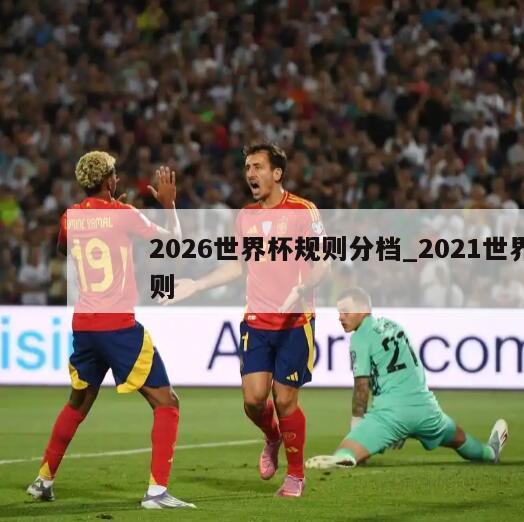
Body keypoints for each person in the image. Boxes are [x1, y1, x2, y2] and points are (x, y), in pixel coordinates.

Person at [26, 151, 194, 509]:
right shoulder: (124, 214)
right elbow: (175, 246)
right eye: (114, 175)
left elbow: (63, 248)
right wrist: (169, 206)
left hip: (85, 326)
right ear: (108, 181)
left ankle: (43, 480)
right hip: (117, 326)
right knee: (167, 403)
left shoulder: (71, 216)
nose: (117, 179)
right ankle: (157, 493)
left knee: (77, 404)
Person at [169, 142, 329, 497]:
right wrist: (197, 284)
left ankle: (296, 475)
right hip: (256, 321)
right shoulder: (245, 216)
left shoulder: (304, 211)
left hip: (294, 321)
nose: (250, 174)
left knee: (285, 400)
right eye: (247, 168)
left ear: (277, 173)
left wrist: (304, 287)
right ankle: (272, 436)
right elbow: (238, 266)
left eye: (258, 167)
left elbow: (323, 262)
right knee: (254, 401)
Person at [305, 287, 507, 469]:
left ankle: (345, 458)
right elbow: (415, 368)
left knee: (347, 449)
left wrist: (357, 427)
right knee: (458, 438)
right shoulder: (395, 326)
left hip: (391, 415)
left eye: (346, 311)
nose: (341, 317)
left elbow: (361, 386)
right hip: (426, 410)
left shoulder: (360, 337)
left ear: (364, 309)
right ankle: (490, 453)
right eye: (339, 312)